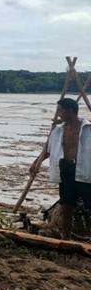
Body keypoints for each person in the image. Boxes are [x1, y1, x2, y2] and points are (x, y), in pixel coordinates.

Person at [30, 98, 91, 238]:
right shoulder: (58, 130)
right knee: (67, 205)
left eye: (61, 111)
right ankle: (66, 236)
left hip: (85, 171)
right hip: (66, 170)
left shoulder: (88, 128)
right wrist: (36, 162)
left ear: (70, 111)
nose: (59, 114)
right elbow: (48, 150)